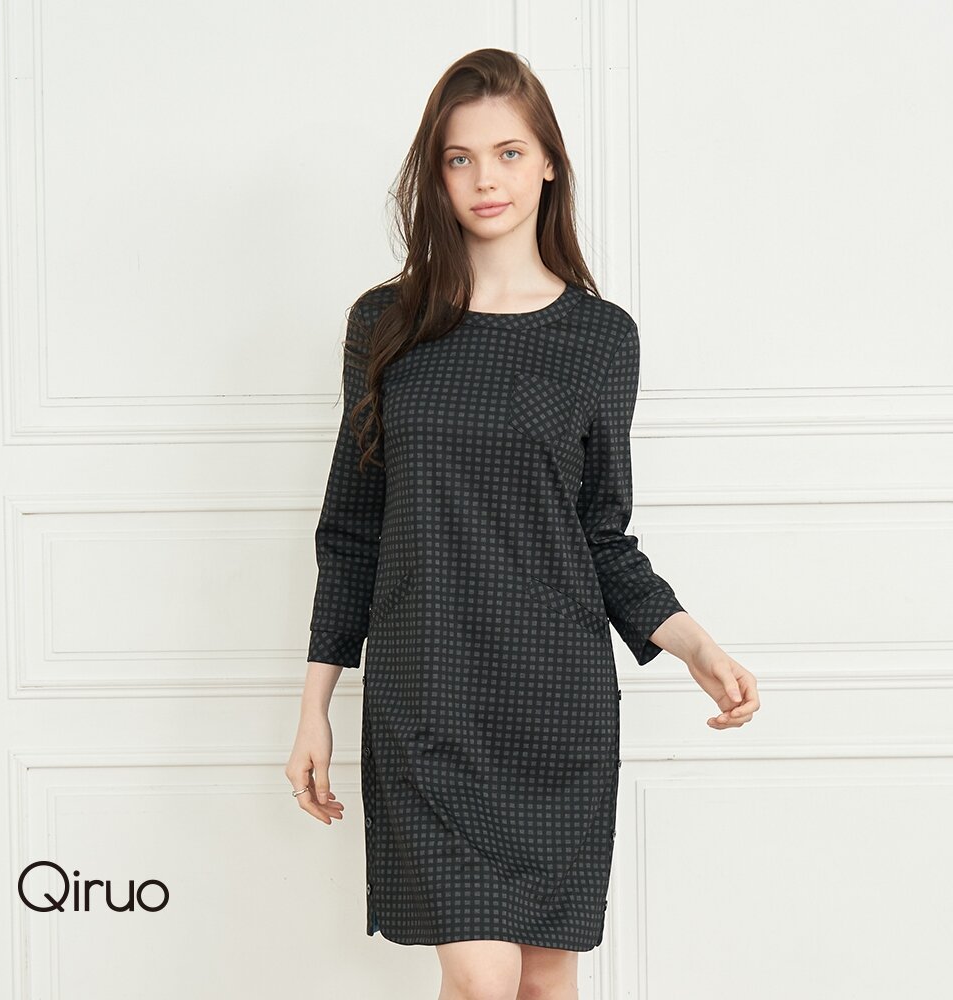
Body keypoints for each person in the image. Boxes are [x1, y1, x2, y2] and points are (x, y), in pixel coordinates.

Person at [286, 48, 760, 1000]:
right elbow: (352, 530)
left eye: (507, 153)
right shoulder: (385, 326)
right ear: (435, 175)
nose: (485, 179)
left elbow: (602, 534)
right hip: (427, 697)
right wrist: (314, 708)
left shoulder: (601, 337)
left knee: (544, 983)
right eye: (459, 159)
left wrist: (695, 646)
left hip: (555, 704)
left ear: (547, 162)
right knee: (481, 977)